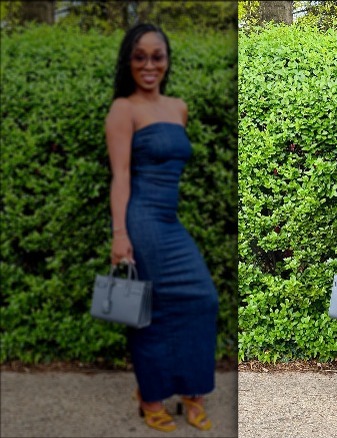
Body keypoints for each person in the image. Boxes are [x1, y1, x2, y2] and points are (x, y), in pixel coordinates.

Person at [106, 23, 218, 432]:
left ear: (167, 60)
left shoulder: (178, 107)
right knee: (148, 312)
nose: (149, 64)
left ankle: (192, 393)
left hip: (169, 222)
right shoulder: (123, 110)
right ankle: (151, 397)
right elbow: (120, 176)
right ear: (129, 62)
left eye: (157, 56)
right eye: (140, 56)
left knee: (201, 299)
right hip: (141, 221)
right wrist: (120, 234)